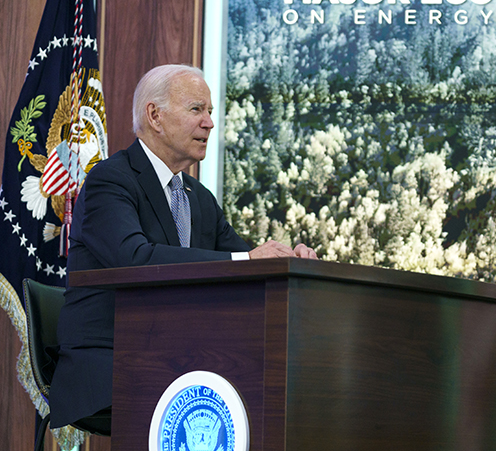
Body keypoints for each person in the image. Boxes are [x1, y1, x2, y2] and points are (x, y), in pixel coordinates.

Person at [48, 64, 317, 432]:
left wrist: (289, 263)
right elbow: (135, 259)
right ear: (154, 116)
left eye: (210, 112)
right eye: (196, 109)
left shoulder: (198, 198)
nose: (209, 123)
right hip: (113, 362)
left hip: (181, 361)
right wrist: (248, 259)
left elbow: (245, 268)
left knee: (270, 397)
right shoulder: (109, 181)